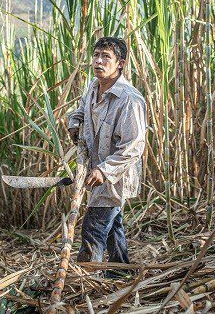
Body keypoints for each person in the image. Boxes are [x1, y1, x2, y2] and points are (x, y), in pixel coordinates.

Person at [68, 37, 147, 277]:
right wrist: (74, 122)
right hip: (98, 171)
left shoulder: (130, 100)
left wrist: (105, 171)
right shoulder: (93, 86)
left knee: (93, 227)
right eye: (96, 55)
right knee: (113, 227)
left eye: (106, 57)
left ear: (120, 64)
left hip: (116, 175)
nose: (98, 61)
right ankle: (120, 272)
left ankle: (85, 281)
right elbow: (82, 110)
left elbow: (134, 146)